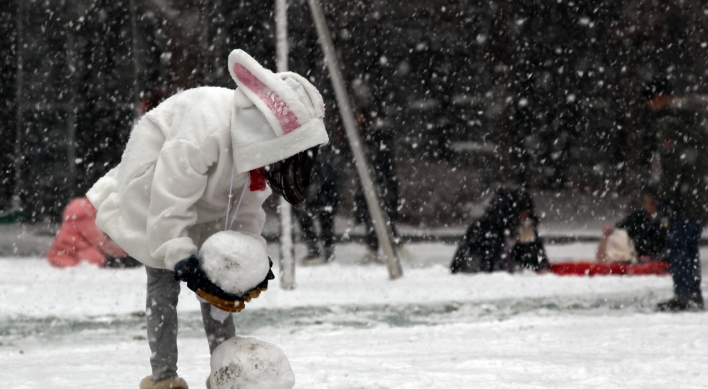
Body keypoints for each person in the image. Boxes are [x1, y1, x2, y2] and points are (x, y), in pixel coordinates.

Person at [86, 50, 328, 389]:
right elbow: (169, 197)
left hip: (209, 205)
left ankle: (224, 372)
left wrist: (246, 259)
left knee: (218, 287)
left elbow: (247, 209)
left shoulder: (261, 156)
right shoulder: (205, 126)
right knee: (162, 280)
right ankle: (164, 378)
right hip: (154, 189)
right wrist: (180, 254)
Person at [644, 80, 708, 311]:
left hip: (686, 196)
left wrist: (666, 197)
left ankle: (684, 295)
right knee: (689, 245)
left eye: (650, 101)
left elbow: (671, 166)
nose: (650, 107)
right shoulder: (692, 116)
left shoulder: (669, 123)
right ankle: (693, 294)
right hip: (701, 192)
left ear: (659, 97)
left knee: (678, 244)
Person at [450, 188, 550, 274]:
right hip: (481, 278)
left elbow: (535, 257)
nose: (527, 216)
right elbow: (476, 259)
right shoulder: (483, 229)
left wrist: (541, 266)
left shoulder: (526, 227)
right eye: (524, 212)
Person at [46, 196, 141, 268]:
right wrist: (126, 253)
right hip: (68, 256)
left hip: (62, 253)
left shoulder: (84, 211)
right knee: (96, 258)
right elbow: (100, 243)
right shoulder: (85, 215)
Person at [297, 143, 345, 265]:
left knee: (324, 218)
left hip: (326, 187)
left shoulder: (323, 149)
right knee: (308, 217)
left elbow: (329, 168)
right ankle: (318, 249)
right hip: (319, 185)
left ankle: (323, 249)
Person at [596, 183, 667, 263]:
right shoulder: (638, 216)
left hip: (658, 254)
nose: (648, 206)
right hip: (638, 254)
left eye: (652, 203)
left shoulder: (663, 217)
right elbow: (621, 226)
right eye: (646, 203)